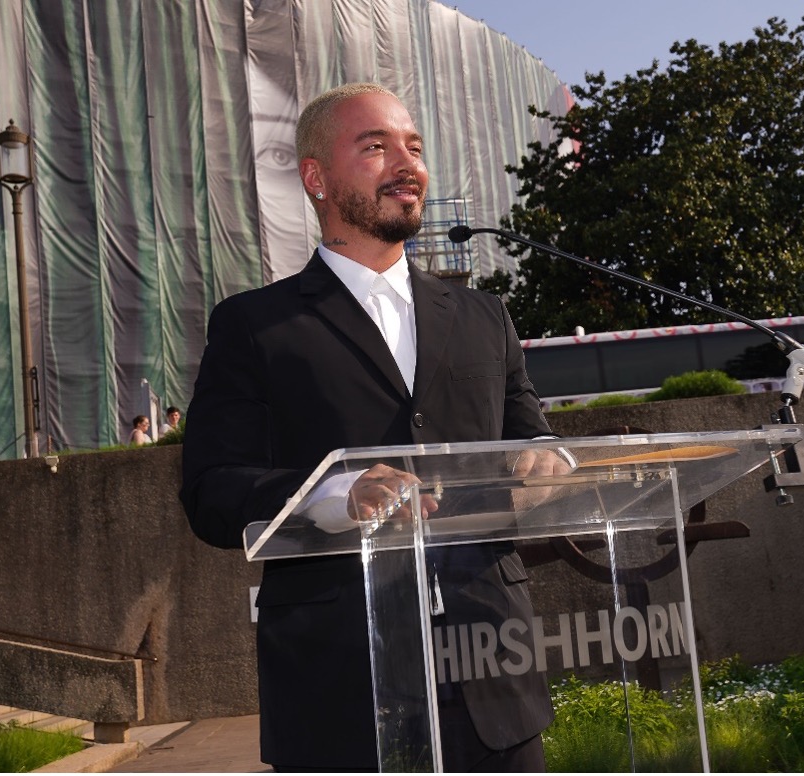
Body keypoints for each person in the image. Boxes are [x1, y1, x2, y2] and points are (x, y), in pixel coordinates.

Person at [180, 83, 570, 772]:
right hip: (340, 690)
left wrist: (544, 459)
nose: (408, 163)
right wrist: (337, 492)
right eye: (376, 146)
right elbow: (213, 491)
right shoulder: (254, 327)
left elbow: (528, 431)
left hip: (493, 679)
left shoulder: (486, 317)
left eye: (414, 147)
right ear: (316, 178)